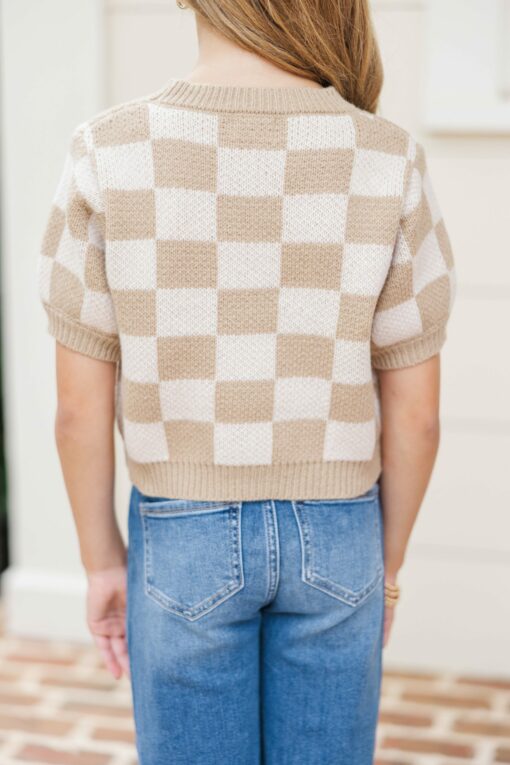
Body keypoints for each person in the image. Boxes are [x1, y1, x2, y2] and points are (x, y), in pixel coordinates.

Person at [37, 1, 456, 762]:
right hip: (340, 536)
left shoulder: (107, 150)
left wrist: (101, 562)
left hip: (180, 533)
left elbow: (77, 412)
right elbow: (418, 417)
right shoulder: (388, 156)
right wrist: (384, 569)